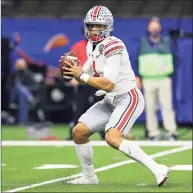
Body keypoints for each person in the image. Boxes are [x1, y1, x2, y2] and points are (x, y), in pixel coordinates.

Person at [61, 6, 169, 186]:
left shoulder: (114, 45)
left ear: (108, 26)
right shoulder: (91, 45)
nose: (94, 29)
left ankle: (158, 168)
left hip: (128, 97)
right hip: (110, 99)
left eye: (99, 26)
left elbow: (108, 83)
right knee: (79, 132)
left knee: (112, 137)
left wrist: (82, 75)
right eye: (91, 25)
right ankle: (89, 176)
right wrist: (73, 71)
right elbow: (84, 78)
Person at [136, 17, 178, 141]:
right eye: (152, 26)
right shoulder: (143, 43)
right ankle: (152, 133)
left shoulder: (167, 42)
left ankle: (172, 132)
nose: (154, 29)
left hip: (164, 79)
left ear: (160, 28)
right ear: (148, 28)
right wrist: (138, 77)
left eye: (156, 26)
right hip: (148, 80)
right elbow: (136, 60)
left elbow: (175, 58)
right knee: (150, 108)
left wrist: (170, 73)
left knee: (167, 107)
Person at [67, 28, 105, 140]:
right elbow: (71, 63)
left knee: (101, 107)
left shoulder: (103, 47)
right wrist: (74, 77)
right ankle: (74, 132)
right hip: (82, 81)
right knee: (80, 107)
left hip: (97, 81)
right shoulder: (78, 46)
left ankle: (104, 132)